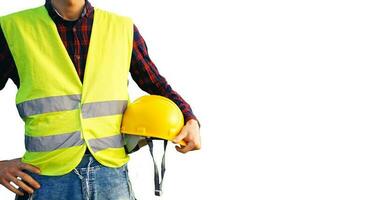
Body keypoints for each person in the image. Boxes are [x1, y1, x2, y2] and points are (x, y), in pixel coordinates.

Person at [0, 0, 201, 199]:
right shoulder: (12, 28)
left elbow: (156, 84)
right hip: (45, 180)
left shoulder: (122, 28)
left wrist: (190, 120)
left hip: (111, 178)